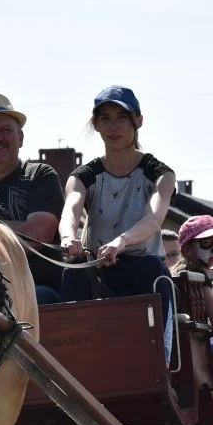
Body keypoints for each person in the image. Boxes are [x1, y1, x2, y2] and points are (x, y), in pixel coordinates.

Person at [57, 85, 176, 328]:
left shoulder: (160, 174)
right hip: (98, 268)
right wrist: (69, 237)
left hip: (142, 269)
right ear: (96, 125)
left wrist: (121, 241)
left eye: (122, 117)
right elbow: (71, 208)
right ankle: (69, 355)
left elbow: (153, 220)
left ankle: (160, 356)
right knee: (73, 271)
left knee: (152, 268)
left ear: (138, 121)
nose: (114, 126)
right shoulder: (83, 176)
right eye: (105, 118)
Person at [0, 92, 65, 304]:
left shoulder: (40, 175)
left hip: (36, 290)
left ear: (20, 138)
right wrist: (16, 228)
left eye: (5, 130)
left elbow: (37, 236)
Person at [173, 215, 213, 350]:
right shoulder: (196, 278)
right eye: (207, 243)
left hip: (185, 345)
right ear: (187, 249)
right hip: (199, 348)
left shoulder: (179, 273)